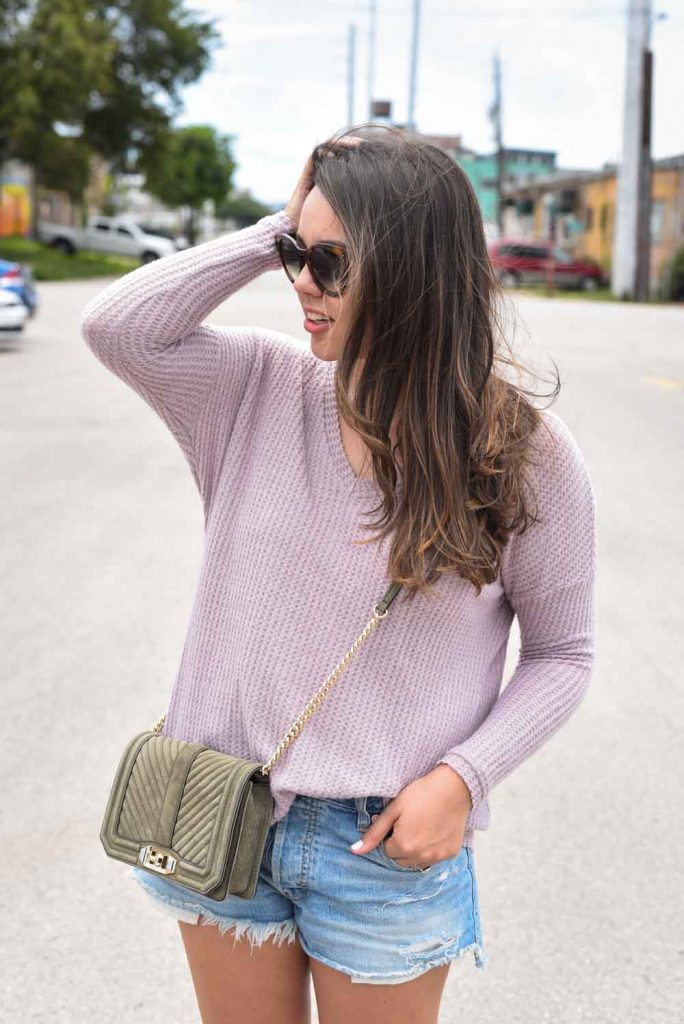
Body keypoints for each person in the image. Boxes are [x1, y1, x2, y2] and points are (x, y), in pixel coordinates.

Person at [80, 123, 597, 1024]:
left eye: (331, 262)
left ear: (412, 273)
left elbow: (565, 655)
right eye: (297, 254)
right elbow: (116, 327)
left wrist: (462, 780)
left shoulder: (524, 453)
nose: (301, 284)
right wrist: (272, 229)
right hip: (224, 813)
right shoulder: (252, 388)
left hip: (383, 845)